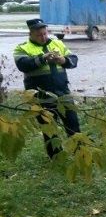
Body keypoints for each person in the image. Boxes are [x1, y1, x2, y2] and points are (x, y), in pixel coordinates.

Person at [13, 18, 81, 158]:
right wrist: (42, 58)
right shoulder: (22, 48)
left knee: (73, 125)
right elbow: (23, 65)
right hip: (41, 98)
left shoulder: (57, 43)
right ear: (30, 34)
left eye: (45, 33)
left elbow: (73, 60)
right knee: (49, 130)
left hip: (63, 93)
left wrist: (63, 60)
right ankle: (56, 158)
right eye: (39, 35)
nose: (43, 37)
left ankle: (80, 154)